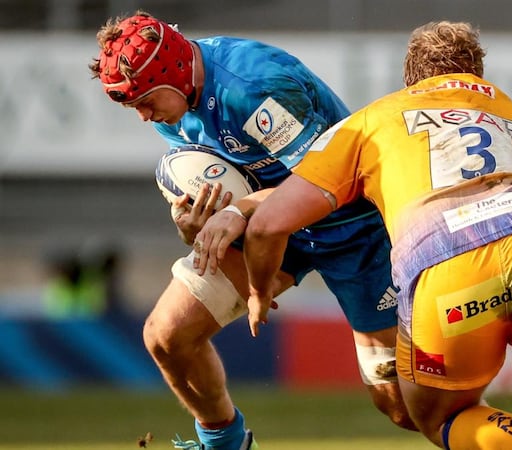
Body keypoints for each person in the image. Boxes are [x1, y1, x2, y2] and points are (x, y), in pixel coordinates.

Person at [212, 20, 512, 449]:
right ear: (475, 75)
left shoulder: (372, 121)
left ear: (410, 76)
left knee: (440, 416)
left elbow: (273, 222)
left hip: (448, 274)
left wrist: (258, 289)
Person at [89, 10, 414, 450]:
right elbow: (224, 182)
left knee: (405, 407)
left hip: (350, 228)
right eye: (134, 106)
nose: (144, 116)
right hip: (267, 226)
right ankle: (226, 444)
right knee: (167, 338)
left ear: (175, 72)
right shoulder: (172, 107)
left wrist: (238, 211)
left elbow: (325, 180)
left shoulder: (254, 87)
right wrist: (196, 225)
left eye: (145, 101)